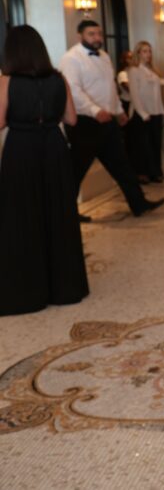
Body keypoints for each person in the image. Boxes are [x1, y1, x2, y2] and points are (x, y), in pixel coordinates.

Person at [0, 25, 88, 315]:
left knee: (21, 216)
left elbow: (0, 121)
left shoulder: (6, 81)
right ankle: (65, 288)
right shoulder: (58, 78)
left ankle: (27, 292)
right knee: (58, 213)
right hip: (54, 148)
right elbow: (71, 119)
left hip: (21, 149)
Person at [60, 20, 164, 220]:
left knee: (122, 165)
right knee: (75, 170)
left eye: (99, 33)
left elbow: (110, 87)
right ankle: (66, 214)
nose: (97, 38)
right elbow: (73, 90)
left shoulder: (105, 56)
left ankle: (139, 204)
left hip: (107, 120)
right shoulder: (71, 58)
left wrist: (119, 111)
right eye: (91, 34)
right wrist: (95, 110)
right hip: (84, 123)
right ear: (80, 36)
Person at [127, 41, 164, 183]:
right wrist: (142, 112)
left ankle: (154, 172)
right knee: (142, 145)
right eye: (144, 51)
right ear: (138, 53)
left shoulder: (152, 71)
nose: (148, 54)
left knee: (155, 143)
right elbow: (134, 94)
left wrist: (161, 109)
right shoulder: (134, 70)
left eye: (149, 51)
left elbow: (157, 92)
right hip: (141, 113)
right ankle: (141, 173)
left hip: (155, 111)